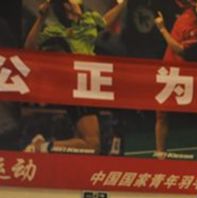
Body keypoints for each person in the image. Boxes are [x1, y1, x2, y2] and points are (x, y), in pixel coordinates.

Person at [23, 0, 128, 154]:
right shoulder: (57, 30)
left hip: (91, 87)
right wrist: (41, 18)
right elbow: (29, 48)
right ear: (66, 7)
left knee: (83, 142)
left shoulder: (87, 22)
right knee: (93, 145)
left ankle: (49, 151)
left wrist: (123, 3)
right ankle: (41, 147)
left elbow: (105, 21)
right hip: (76, 88)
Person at [153, 0, 197, 155]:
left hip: (182, 75)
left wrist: (162, 29)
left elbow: (179, 49)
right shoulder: (189, 8)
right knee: (161, 114)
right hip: (167, 70)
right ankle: (160, 154)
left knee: (192, 115)